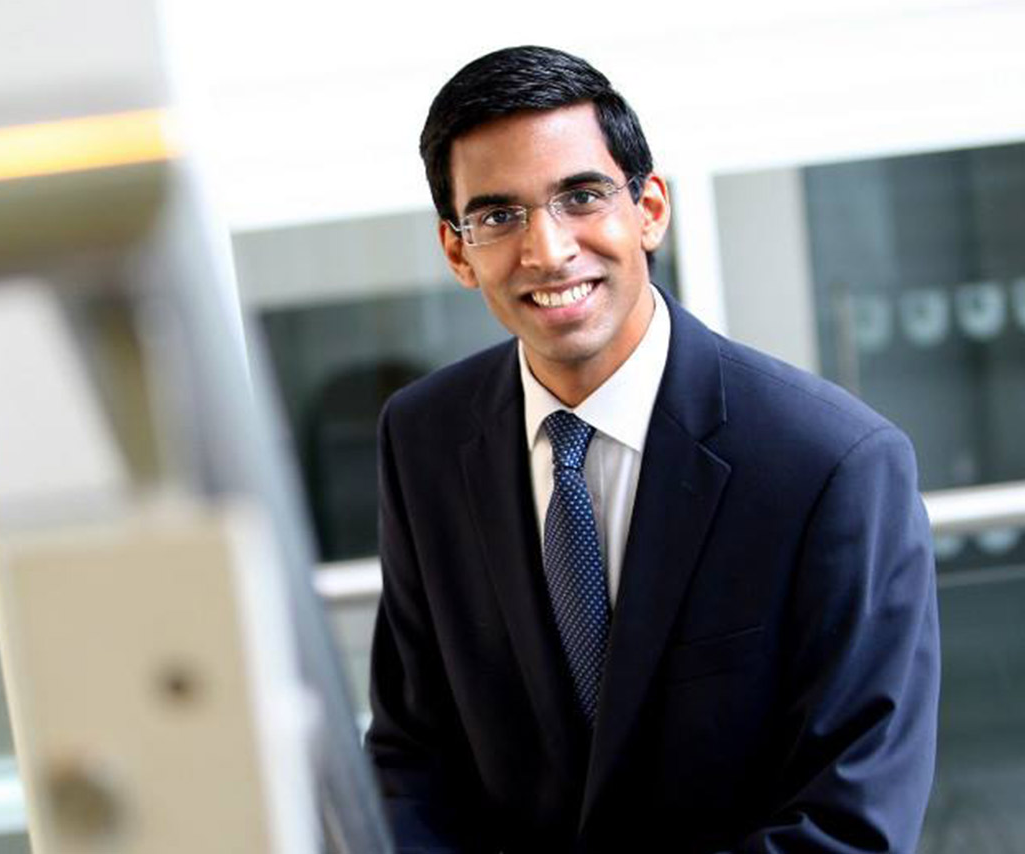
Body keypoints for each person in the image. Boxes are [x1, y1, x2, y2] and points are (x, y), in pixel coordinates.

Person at [365, 45, 939, 853]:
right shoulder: (423, 438)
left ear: (650, 209)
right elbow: (412, 756)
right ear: (458, 251)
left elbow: (851, 825)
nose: (547, 250)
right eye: (498, 217)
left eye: (581, 197)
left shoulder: (831, 465)